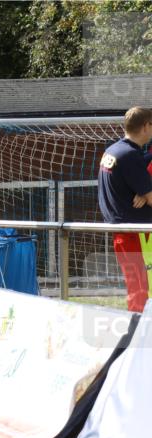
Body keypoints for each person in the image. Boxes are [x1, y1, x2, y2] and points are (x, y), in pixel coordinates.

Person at [97, 106, 152, 313]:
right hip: (134, 234)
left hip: (124, 231)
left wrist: (144, 193)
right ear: (146, 126)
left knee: (138, 285)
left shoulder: (114, 150)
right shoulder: (130, 156)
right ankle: (140, 337)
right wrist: (147, 195)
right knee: (141, 288)